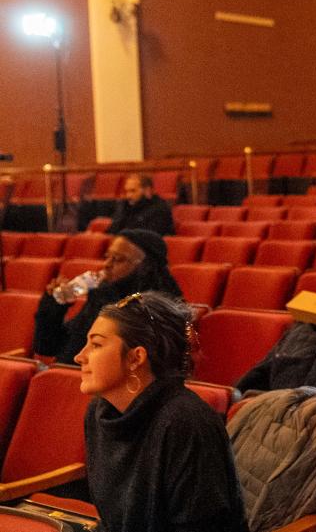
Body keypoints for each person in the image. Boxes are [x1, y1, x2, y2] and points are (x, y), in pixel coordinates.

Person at [76, 291, 248, 532]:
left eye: (96, 345)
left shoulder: (186, 422)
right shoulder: (101, 411)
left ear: (136, 357)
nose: (79, 356)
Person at [33, 229, 183, 364]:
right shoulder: (102, 294)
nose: (106, 265)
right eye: (107, 257)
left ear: (146, 267)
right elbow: (47, 347)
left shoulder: (159, 308)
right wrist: (54, 306)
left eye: (118, 259)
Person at [107, 173, 175, 235]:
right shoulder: (125, 206)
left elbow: (149, 237)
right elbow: (111, 231)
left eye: (133, 191)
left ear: (147, 191)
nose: (128, 196)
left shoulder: (160, 209)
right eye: (126, 191)